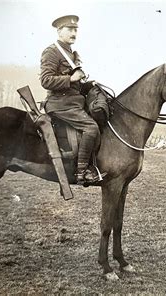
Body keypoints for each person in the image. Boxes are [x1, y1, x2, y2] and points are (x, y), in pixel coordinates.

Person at [40, 15, 103, 185]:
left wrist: (88, 84)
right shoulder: (52, 51)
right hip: (60, 104)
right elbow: (45, 80)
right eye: (69, 29)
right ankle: (82, 171)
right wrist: (72, 79)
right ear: (59, 31)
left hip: (74, 103)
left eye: (76, 30)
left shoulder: (73, 54)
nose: (74, 33)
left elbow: (75, 85)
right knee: (91, 128)